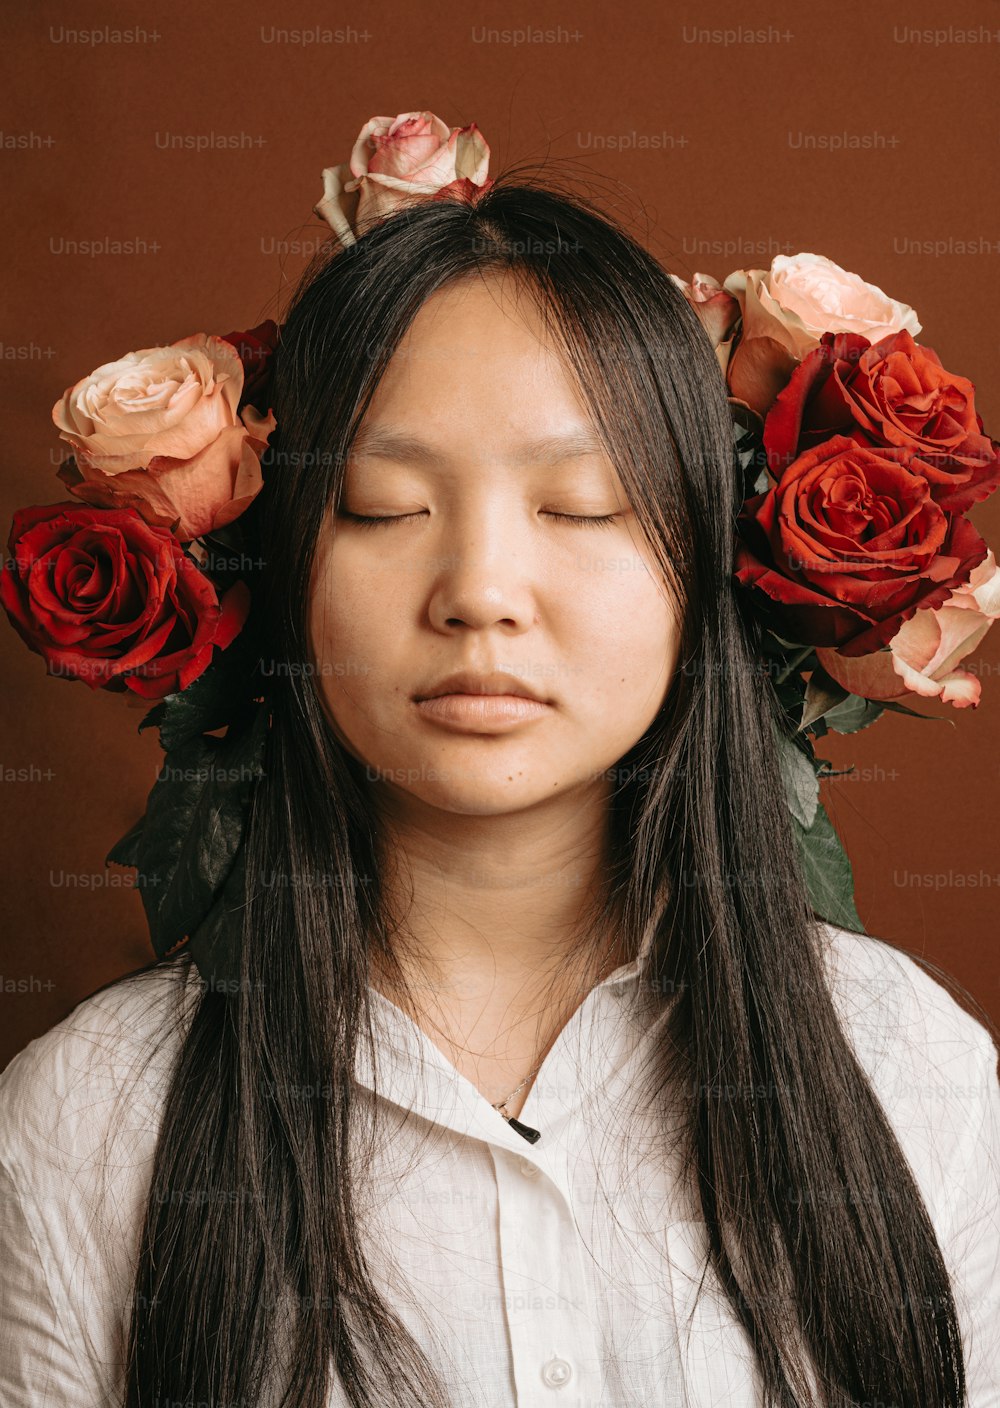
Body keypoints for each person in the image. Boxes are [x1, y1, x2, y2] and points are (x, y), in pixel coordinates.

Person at [1, 170, 998, 1408]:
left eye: (577, 504)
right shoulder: (88, 1121)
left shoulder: (911, 1070)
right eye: (387, 504)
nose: (479, 587)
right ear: (283, 559)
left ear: (701, 565)